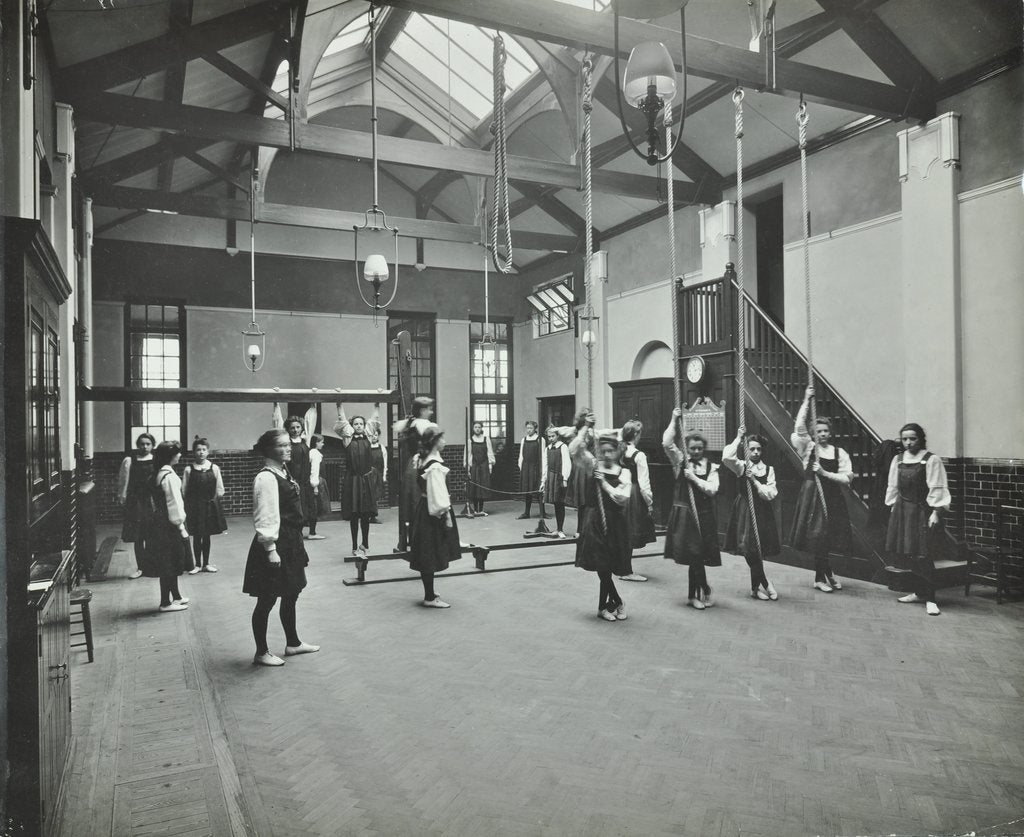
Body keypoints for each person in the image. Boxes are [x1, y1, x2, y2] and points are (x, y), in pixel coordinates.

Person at [243, 429, 319, 667]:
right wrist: (270, 548)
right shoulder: (266, 478)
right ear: (268, 450)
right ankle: (261, 651)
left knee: (291, 592)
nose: (288, 449)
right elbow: (264, 515)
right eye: (282, 446)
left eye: (289, 445)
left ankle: (293, 643)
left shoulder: (282, 471)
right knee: (267, 598)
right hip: (276, 543)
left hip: (291, 540)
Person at [789, 386, 853, 593]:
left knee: (827, 536)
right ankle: (821, 576)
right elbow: (799, 426)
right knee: (817, 536)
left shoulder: (839, 452)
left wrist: (825, 474)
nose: (823, 434)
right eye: (819, 432)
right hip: (812, 497)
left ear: (830, 433)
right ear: (814, 434)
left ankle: (826, 572)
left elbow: (846, 478)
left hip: (832, 497)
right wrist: (807, 400)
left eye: (825, 431)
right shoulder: (808, 447)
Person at [884, 422, 951, 616]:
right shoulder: (897, 460)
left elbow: (938, 487)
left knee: (923, 554)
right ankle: (918, 592)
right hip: (902, 511)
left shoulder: (931, 460)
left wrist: (936, 512)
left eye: (912, 438)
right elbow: (892, 486)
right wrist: (892, 510)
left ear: (920, 439)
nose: (908, 442)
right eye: (905, 439)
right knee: (909, 553)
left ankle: (930, 598)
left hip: (923, 512)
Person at [663, 410, 721, 609]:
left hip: (704, 516)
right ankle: (694, 594)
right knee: (694, 555)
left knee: (699, 554)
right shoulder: (680, 461)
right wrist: (673, 419)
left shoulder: (711, 466)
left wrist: (694, 478)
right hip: (685, 516)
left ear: (703, 448)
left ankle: (703, 588)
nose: (696, 452)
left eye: (699, 448)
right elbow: (666, 443)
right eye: (692, 448)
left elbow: (712, 489)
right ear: (686, 448)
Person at [574, 434, 633, 621]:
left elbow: (622, 498)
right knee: (601, 564)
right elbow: (574, 450)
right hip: (593, 520)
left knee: (607, 564)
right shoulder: (592, 465)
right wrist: (584, 428)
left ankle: (603, 608)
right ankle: (616, 601)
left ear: (617, 452)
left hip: (614, 522)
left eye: (611, 451)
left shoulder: (624, 472)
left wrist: (605, 484)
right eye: (603, 451)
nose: (607, 455)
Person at [722, 428, 780, 600]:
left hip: (762, 511)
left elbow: (770, 493)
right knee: (750, 549)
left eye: (758, 449)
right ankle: (765, 583)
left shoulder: (768, 470)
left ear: (762, 450)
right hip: (745, 510)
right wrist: (738, 437)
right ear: (747, 450)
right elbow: (726, 457)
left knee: (757, 549)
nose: (755, 452)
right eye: (752, 449)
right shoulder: (741, 466)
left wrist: (754, 480)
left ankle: (755, 589)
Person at [407, 428, 462, 608]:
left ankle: (429, 592)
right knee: (430, 553)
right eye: (442, 438)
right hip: (433, 513)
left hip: (424, 509)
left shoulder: (423, 459)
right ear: (434, 442)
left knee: (427, 552)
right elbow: (439, 496)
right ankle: (429, 597)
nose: (445, 441)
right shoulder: (434, 465)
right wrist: (445, 515)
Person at [139, 441, 192, 612]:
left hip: (160, 523)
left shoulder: (159, 473)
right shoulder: (168, 477)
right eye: (177, 453)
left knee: (170, 561)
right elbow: (174, 504)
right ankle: (165, 603)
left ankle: (175, 595)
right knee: (168, 563)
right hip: (169, 525)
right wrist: (181, 526)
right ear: (170, 456)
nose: (179, 455)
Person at [392, 397, 437, 552]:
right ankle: (426, 540)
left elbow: (398, 429)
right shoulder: (430, 426)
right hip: (425, 466)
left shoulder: (408, 425)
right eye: (429, 409)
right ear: (423, 410)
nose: (431, 412)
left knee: (412, 504)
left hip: (411, 468)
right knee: (425, 503)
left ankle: (409, 540)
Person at [334, 409, 379, 557]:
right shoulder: (347, 439)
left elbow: (374, 418)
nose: (358, 426)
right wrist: (339, 405)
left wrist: (377, 404)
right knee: (354, 515)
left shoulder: (369, 437)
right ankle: (354, 545)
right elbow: (342, 418)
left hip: (365, 481)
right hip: (353, 481)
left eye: (361, 424)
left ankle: (365, 543)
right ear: (352, 426)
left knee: (365, 514)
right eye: (356, 424)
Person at [183, 436, 227, 575]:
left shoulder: (214, 468)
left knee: (207, 535)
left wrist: (212, 501)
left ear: (208, 452)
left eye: (204, 449)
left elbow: (220, 489)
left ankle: (206, 564)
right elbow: (184, 490)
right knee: (197, 536)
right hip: (195, 507)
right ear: (194, 452)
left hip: (209, 506)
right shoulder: (189, 470)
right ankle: (197, 564)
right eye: (198, 450)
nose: (201, 452)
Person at [116, 432, 156, 579]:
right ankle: (141, 568)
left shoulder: (156, 460)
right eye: (142, 444)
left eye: (148, 444)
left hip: (152, 502)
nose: (145, 447)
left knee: (152, 535)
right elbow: (123, 481)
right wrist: (123, 496)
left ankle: (152, 566)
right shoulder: (130, 460)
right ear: (137, 445)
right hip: (136, 502)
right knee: (139, 536)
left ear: (152, 445)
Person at [618, 420, 653, 583]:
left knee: (621, 530)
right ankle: (626, 570)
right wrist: (649, 502)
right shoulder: (639, 455)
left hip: (618, 490)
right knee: (630, 531)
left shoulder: (618, 450)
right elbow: (644, 484)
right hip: (633, 493)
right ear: (636, 435)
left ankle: (621, 567)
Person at [283, 415, 313, 537]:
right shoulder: (287, 444)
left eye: (298, 427)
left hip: (305, 482)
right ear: (288, 430)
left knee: (305, 509)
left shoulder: (305, 442)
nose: (295, 430)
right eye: (292, 428)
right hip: (292, 482)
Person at [540, 426, 571, 539]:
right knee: (555, 503)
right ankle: (558, 529)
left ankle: (561, 529)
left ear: (558, 436)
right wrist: (543, 481)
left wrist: (564, 479)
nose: (551, 438)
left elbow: (567, 463)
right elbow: (545, 465)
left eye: (553, 436)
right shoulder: (547, 448)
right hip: (550, 477)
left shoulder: (563, 447)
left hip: (559, 477)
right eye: (549, 436)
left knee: (560, 503)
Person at [565, 408, 597, 516]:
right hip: (582, 468)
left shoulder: (591, 433)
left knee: (590, 501)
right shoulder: (577, 434)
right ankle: (580, 530)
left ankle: (585, 529)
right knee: (583, 501)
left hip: (590, 467)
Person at [517, 420, 545, 520]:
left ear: (535, 429)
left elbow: (542, 455)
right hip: (526, 467)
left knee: (538, 489)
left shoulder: (540, 439)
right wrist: (521, 467)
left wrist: (542, 469)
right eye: (527, 428)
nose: (529, 430)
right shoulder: (523, 439)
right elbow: (521, 455)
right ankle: (526, 512)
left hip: (535, 467)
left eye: (531, 428)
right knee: (527, 490)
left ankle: (543, 512)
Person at [466, 421, 495, 517]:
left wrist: (490, 465)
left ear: (481, 428)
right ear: (473, 428)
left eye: (479, 427)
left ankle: (481, 509)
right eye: (475, 427)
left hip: (484, 465)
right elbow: (469, 455)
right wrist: (468, 468)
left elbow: (489, 452)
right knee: (475, 487)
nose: (477, 429)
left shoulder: (486, 439)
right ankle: (475, 510)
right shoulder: (470, 440)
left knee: (482, 487)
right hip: (474, 465)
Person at [305, 433, 330, 540]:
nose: (323, 444)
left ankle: (312, 531)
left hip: (313, 481)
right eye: (321, 442)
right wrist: (315, 486)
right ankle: (312, 533)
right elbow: (314, 470)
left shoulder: (312, 453)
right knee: (314, 507)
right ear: (316, 443)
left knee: (312, 507)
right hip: (315, 482)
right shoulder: (314, 454)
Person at [367, 405, 387, 524]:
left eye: (376, 435)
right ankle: (369, 515)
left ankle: (374, 515)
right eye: (372, 435)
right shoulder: (367, 447)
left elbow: (385, 463)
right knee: (368, 495)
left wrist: (384, 476)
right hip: (369, 474)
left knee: (376, 495)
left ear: (378, 436)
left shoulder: (382, 448)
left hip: (378, 474)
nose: (374, 437)